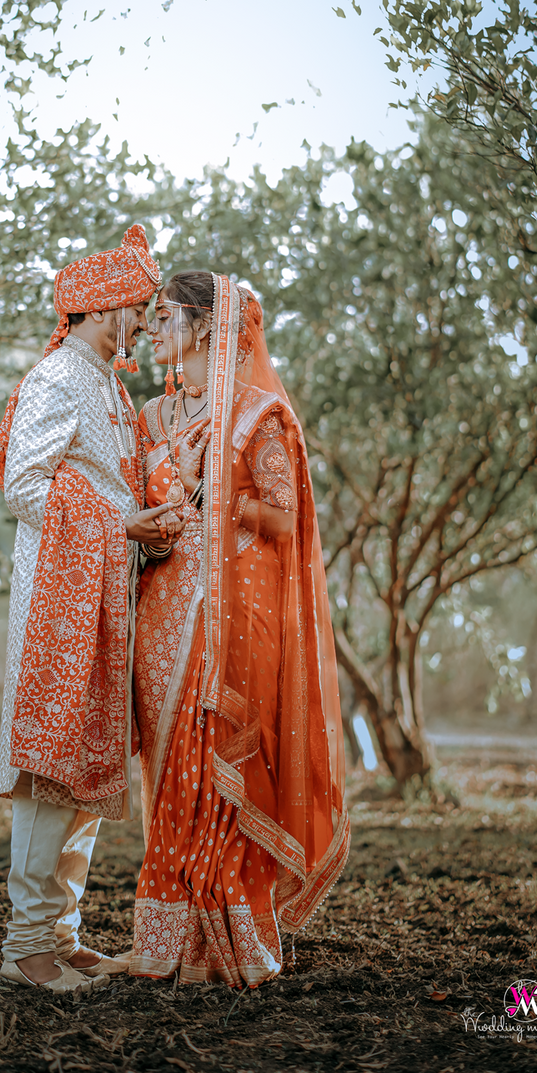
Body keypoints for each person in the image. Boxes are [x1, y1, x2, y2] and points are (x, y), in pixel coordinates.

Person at [130, 271, 350, 988]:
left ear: (204, 325)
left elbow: (288, 520)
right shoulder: (151, 418)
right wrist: (153, 536)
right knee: (166, 776)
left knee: (218, 773)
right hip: (160, 613)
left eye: (165, 316)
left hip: (232, 620)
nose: (152, 328)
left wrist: (229, 507)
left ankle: (227, 944)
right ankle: (163, 944)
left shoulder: (260, 416)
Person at [0, 224, 185, 994]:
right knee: (50, 767)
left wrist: (146, 524)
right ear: (104, 309)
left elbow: (104, 488)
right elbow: (23, 487)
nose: (144, 321)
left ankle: (61, 936)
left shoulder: (107, 384)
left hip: (104, 596)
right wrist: (120, 525)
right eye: (139, 308)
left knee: (86, 769)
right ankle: (24, 950)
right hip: (59, 607)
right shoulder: (57, 378)